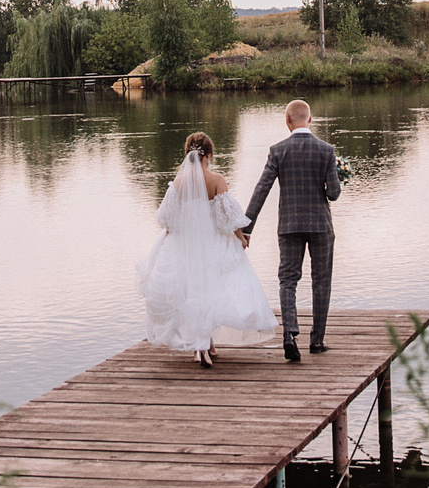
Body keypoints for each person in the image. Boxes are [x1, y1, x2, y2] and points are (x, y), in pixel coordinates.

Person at [137, 131, 278, 368]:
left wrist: (169, 242)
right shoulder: (216, 180)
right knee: (212, 290)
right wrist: (241, 237)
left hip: (184, 245)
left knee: (191, 291)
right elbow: (227, 218)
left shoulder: (178, 183)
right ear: (209, 155)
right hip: (211, 244)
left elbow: (166, 218)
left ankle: (201, 345)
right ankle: (203, 344)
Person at [240, 98, 342, 363]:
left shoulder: (277, 151)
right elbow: (334, 194)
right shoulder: (327, 150)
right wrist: (335, 175)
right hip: (320, 226)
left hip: (289, 225)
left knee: (288, 280)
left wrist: (247, 227)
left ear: (288, 120)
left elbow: (261, 189)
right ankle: (317, 340)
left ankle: (289, 335)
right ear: (310, 119)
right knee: (321, 282)